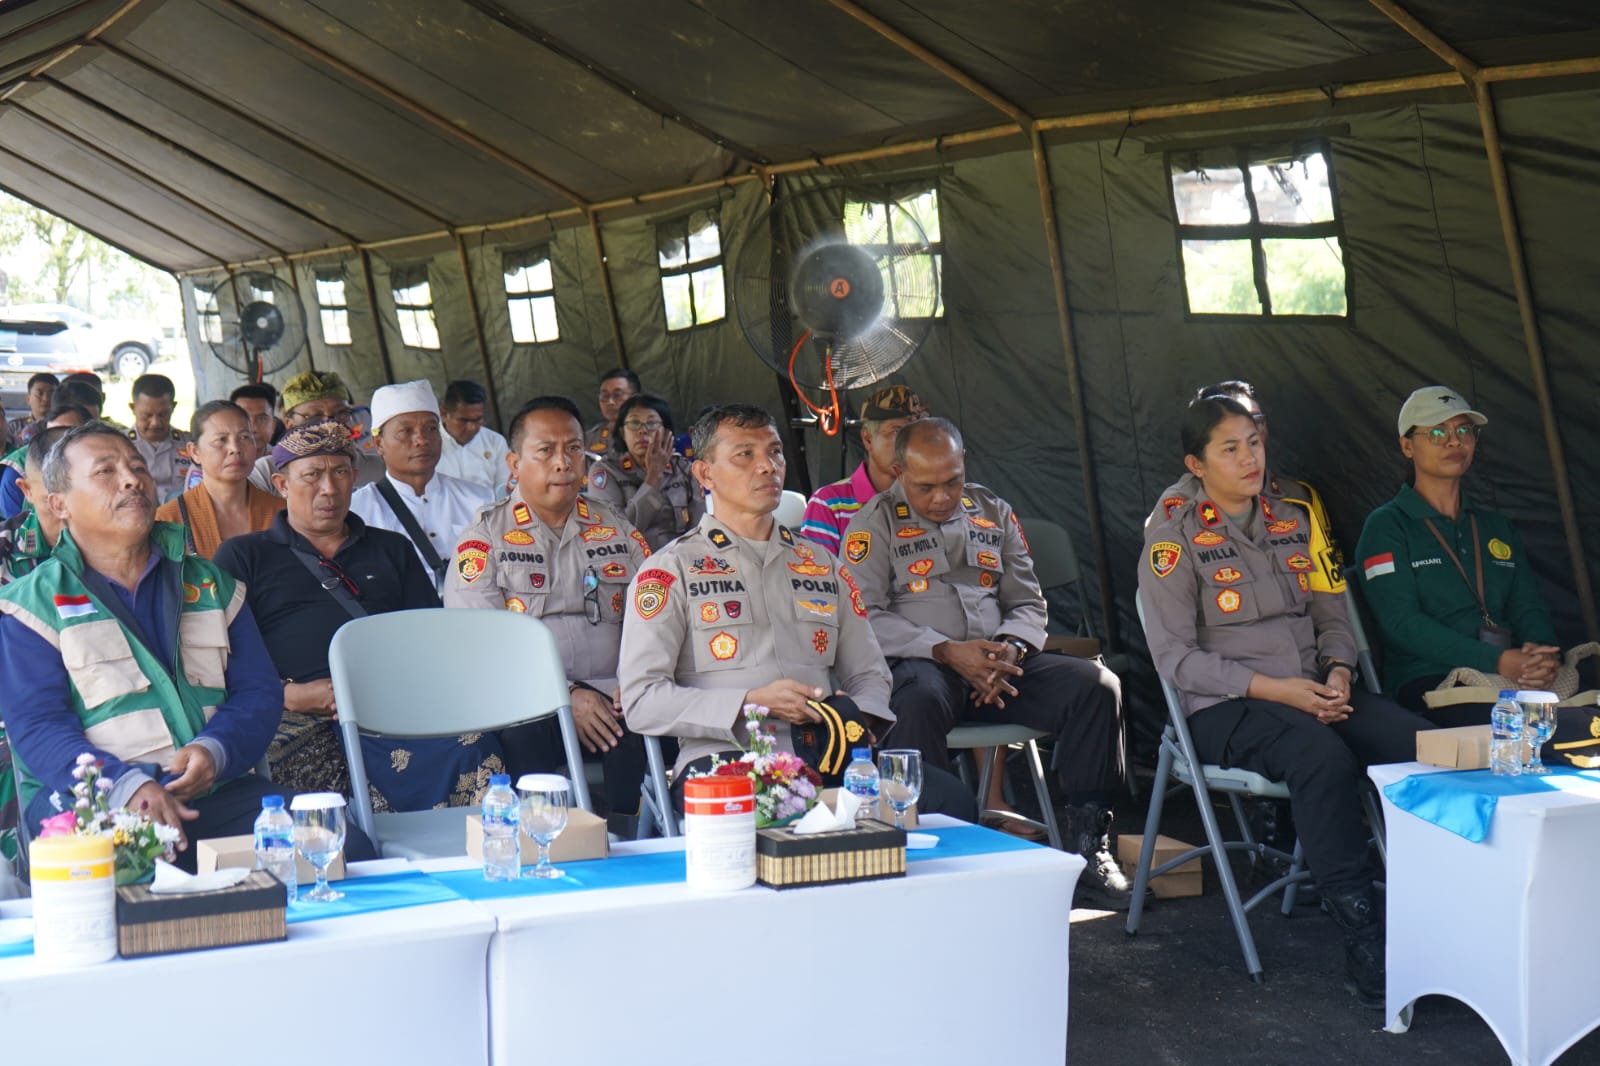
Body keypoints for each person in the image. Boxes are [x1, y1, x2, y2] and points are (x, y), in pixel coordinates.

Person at [1140, 395, 1433, 1008]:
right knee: (1321, 758)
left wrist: (1339, 672)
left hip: (1316, 688)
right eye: (1230, 448)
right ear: (1197, 463)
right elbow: (1176, 660)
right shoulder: (1172, 539)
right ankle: (1363, 934)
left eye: (1254, 442)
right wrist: (1279, 690)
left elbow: (1333, 613)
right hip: (1227, 705)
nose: (1249, 458)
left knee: (1414, 744)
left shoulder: (1293, 517)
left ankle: (1442, 907)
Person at [0, 422, 373, 868]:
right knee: (132, 882)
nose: (132, 479)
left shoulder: (209, 583)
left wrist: (215, 750)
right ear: (59, 504)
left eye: (137, 466)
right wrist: (126, 786)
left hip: (212, 791)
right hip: (95, 805)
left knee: (341, 848)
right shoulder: (32, 605)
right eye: (106, 472)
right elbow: (39, 727)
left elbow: (258, 691)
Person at [619, 403, 978, 820]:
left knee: (949, 802)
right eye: (745, 455)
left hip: (831, 755)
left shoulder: (824, 564)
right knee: (788, 817)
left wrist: (851, 721)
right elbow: (642, 699)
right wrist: (750, 703)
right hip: (730, 761)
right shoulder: (670, 570)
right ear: (705, 475)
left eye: (774, 452)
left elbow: (870, 674)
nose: (767, 466)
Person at [843, 418, 1129, 899]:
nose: (941, 496)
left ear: (964, 465)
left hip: (1001, 665)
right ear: (897, 472)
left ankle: (1088, 847)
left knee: (1096, 686)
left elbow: (1028, 602)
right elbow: (863, 617)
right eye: (926, 486)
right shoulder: (872, 525)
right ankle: (931, 854)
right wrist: (945, 650)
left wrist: (1010, 649)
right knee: (914, 700)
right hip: (927, 664)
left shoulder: (991, 511)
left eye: (952, 481)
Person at [214, 421, 505, 808]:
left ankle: (467, 855)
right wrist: (286, 695)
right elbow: (223, 654)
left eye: (340, 473)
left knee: (474, 745)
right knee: (303, 766)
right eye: (312, 476)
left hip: (394, 700)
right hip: (299, 710)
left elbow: (429, 639)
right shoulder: (244, 556)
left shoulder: (392, 548)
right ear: (282, 485)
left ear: (354, 478)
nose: (329, 489)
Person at [444, 396, 655, 835]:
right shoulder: (485, 537)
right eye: (546, 451)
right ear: (514, 463)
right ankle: (541, 842)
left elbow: (660, 617)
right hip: (529, 704)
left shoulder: (615, 527)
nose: (563, 462)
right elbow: (481, 646)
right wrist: (566, 695)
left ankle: (630, 842)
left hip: (618, 697)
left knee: (637, 727)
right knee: (522, 738)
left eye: (574, 448)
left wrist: (637, 682)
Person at [1355, 387, 1580, 723]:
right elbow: (1403, 624)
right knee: (1559, 728)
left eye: (1464, 431)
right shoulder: (1386, 526)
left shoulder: (1495, 526)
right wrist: (1498, 660)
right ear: (1406, 446)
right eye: (1436, 432)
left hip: (1511, 676)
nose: (1453, 442)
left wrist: (1540, 653)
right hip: (1430, 680)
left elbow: (1527, 605)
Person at [1146, 380, 1346, 593]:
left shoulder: (1298, 498)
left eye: (1255, 420)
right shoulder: (1177, 507)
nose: (1248, 430)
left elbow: (1331, 592)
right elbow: (1167, 599)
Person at [349, 380, 492, 593]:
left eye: (431, 429)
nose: (422, 440)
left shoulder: (479, 500)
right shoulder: (358, 511)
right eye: (406, 431)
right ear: (379, 444)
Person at [800, 384, 926, 554]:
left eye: (917, 432)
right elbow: (819, 575)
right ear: (867, 439)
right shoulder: (830, 504)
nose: (910, 443)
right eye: (898, 432)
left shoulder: (933, 497)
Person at [154, 401, 283, 558]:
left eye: (244, 437)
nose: (235, 449)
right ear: (194, 452)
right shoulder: (168, 520)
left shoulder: (281, 513)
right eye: (221, 440)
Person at [585, 393, 703, 550]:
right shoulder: (605, 472)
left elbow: (699, 528)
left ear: (667, 432)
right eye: (634, 423)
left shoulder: (683, 468)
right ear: (622, 433)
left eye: (652, 423)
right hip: (632, 564)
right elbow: (616, 533)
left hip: (680, 560)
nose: (642, 431)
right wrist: (654, 476)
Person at [248, 370, 384, 493]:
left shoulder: (381, 469)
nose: (331, 424)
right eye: (314, 417)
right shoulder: (265, 473)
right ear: (289, 424)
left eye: (341, 413)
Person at [0, 426, 69, 585]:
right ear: (27, 490)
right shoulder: (4, 549)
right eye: (54, 501)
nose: (67, 512)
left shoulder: (124, 541)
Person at [1, 402, 91, 520]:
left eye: (69, 435)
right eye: (51, 435)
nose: (58, 444)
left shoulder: (106, 463)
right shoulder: (18, 469)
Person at [436, 379, 511, 496]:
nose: (471, 427)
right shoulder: (429, 444)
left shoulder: (495, 442)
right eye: (463, 420)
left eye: (478, 419)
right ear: (444, 414)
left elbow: (504, 489)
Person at [126, 374, 192, 502]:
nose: (155, 423)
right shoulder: (119, 445)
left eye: (162, 415)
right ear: (133, 408)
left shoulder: (189, 444)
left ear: (173, 407)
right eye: (147, 415)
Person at [586, 368, 639, 458]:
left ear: (636, 398)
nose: (610, 402)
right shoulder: (590, 438)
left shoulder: (647, 434)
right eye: (605, 396)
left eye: (617, 395)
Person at [229, 382, 282, 464]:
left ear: (273, 425)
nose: (253, 429)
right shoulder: (220, 464)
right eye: (244, 418)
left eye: (261, 419)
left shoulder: (283, 461)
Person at [6, 372, 56, 447]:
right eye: (40, 393)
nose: (46, 399)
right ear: (28, 399)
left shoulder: (62, 426)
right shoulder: (15, 427)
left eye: (51, 394)